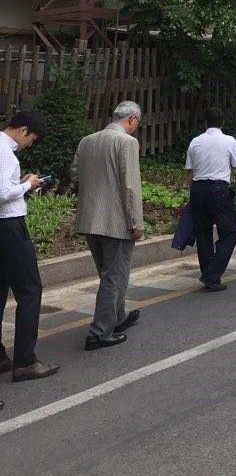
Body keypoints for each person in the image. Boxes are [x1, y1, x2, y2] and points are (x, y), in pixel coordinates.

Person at [73, 101, 144, 351]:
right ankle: (100, 332)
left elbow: (74, 175)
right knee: (114, 276)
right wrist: (136, 221)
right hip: (116, 220)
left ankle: (119, 315)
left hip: (89, 218)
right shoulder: (127, 143)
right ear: (132, 120)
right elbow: (131, 186)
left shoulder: (87, 141)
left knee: (109, 273)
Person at [0, 111, 59, 385]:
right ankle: (25, 361)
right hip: (9, 226)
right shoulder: (5, 151)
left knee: (1, 289)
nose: (30, 144)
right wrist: (27, 185)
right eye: (31, 139)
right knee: (30, 290)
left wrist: (20, 184)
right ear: (23, 130)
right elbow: (1, 193)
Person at [185, 107, 236, 292]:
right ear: (222, 122)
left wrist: (191, 191)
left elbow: (189, 171)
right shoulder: (229, 141)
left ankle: (209, 274)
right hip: (219, 190)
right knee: (230, 231)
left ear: (205, 123)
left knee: (203, 233)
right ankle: (212, 272)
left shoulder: (195, 142)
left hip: (198, 189)